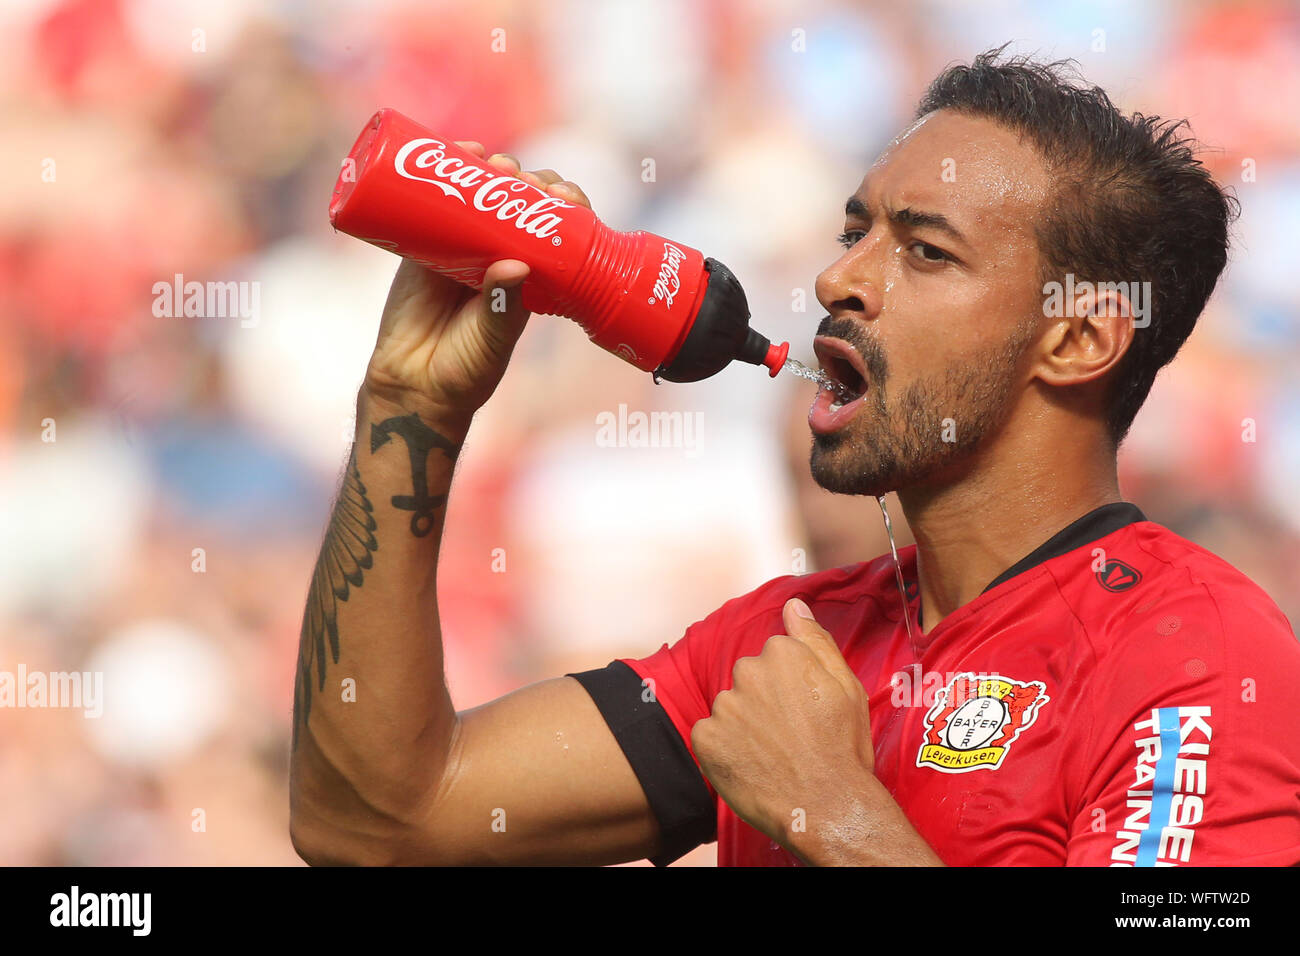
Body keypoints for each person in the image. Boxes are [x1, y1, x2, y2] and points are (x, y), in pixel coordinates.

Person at [288, 49, 1300, 866]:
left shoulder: (1194, 653)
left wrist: (832, 815)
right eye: (855, 229)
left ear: (1078, 339)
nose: (836, 277)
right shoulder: (784, 643)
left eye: (923, 249)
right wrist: (409, 407)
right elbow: (379, 822)